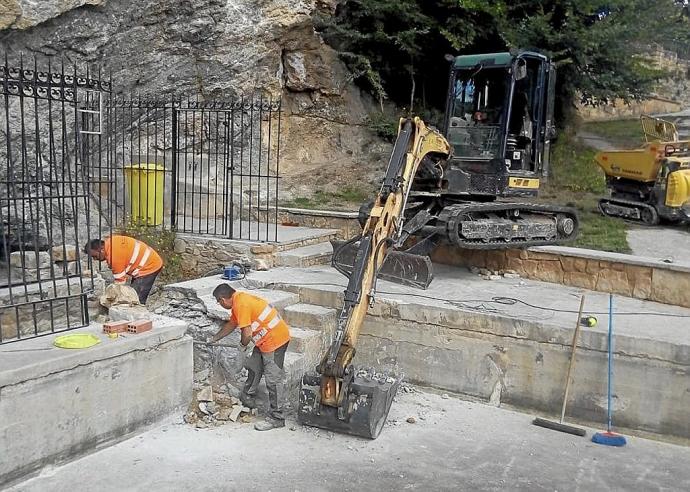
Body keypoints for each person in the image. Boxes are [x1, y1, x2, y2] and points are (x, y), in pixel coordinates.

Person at [211, 283, 291, 431]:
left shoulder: (241, 304)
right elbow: (232, 324)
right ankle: (248, 397)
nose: (220, 304)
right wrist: (215, 338)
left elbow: (247, 334)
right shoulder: (238, 301)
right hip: (264, 340)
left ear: (222, 299)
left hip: (275, 340)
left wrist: (242, 346)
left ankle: (277, 417)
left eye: (219, 302)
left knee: (273, 379)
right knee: (254, 366)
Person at [84, 235, 163, 304]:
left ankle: (139, 318)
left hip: (149, 266)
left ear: (101, 249)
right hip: (148, 260)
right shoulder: (110, 242)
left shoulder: (114, 257)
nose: (95, 259)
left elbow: (120, 283)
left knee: (135, 300)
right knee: (132, 293)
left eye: (95, 256)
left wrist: (111, 299)